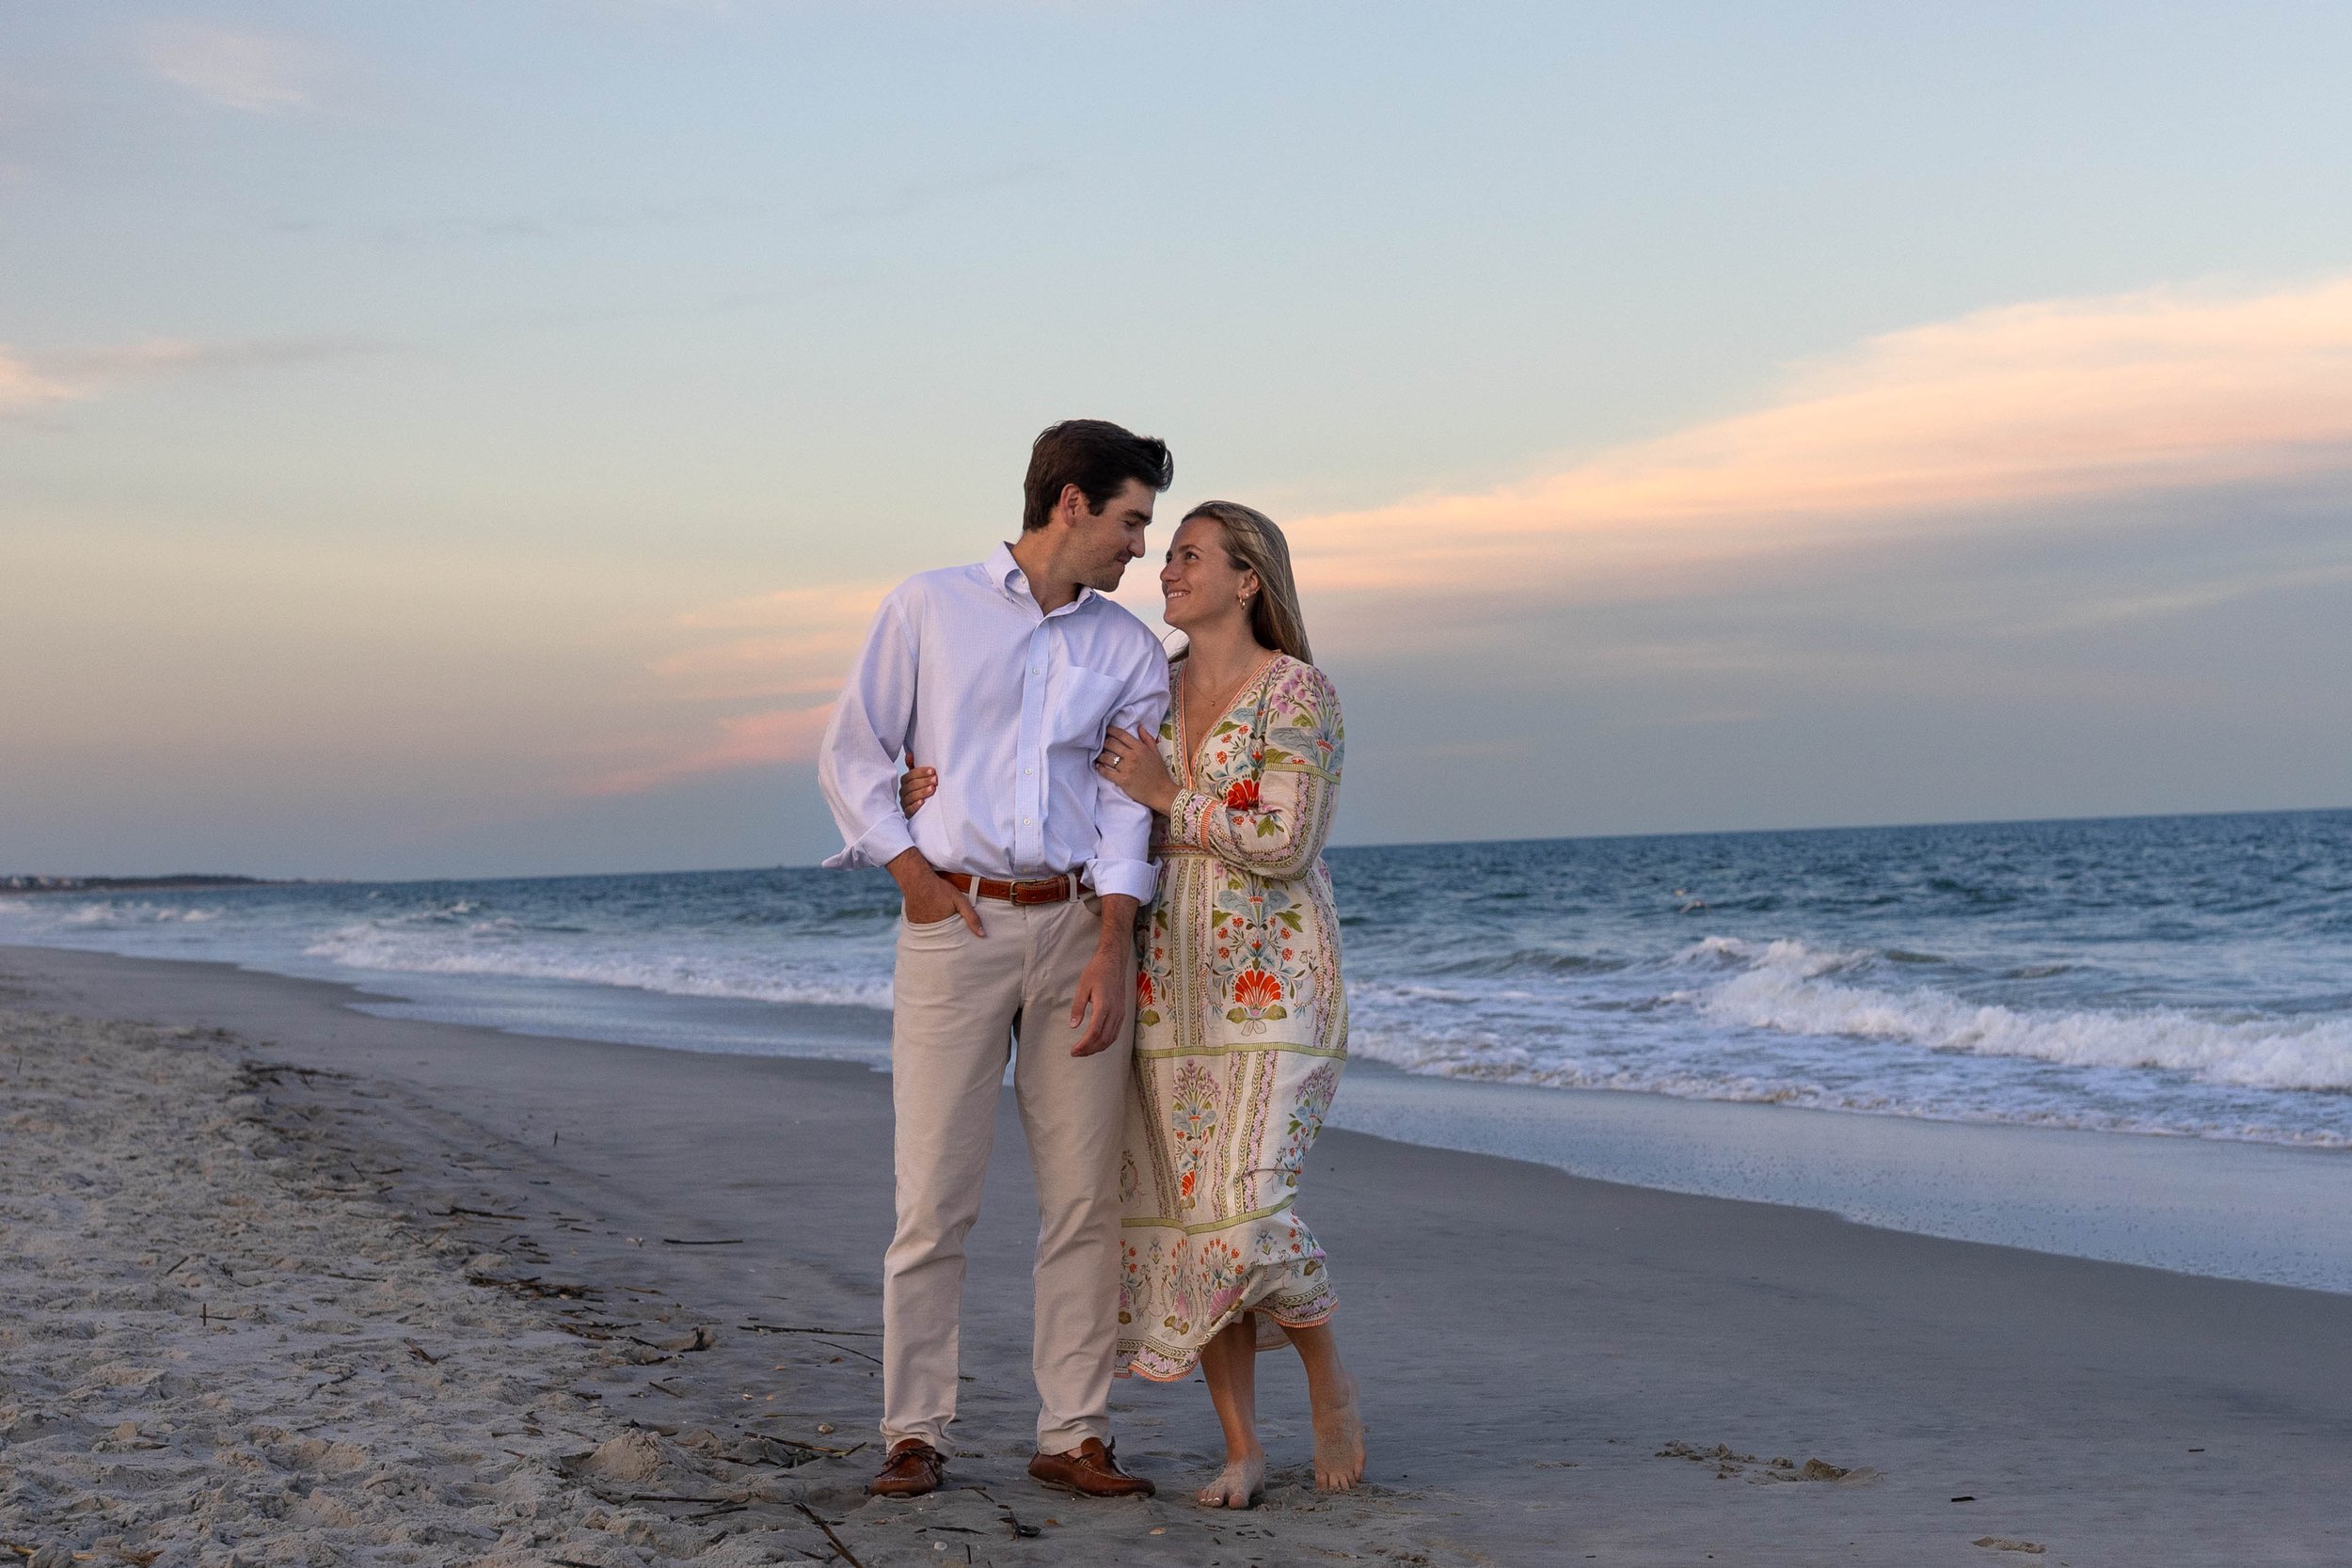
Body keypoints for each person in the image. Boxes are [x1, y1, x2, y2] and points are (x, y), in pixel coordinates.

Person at [902, 499, 1364, 1509]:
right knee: (1191, 1222)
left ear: (1250, 579)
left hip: (1273, 988)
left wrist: (1168, 797)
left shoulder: (1299, 693)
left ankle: (1326, 1378)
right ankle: (1241, 1445)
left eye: (1189, 553)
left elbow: (1285, 839)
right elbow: (1052, 777)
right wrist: (922, 794)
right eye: (1163, 548)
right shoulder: (1145, 680)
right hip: (1166, 985)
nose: (1163, 564)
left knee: (1247, 1208)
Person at [818, 419, 1173, 1502]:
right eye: (1129, 520)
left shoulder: (1126, 647)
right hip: (952, 927)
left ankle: (1073, 1432)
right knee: (933, 1194)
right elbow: (854, 750)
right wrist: (914, 878)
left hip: (1076, 929)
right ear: (1069, 502)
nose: (1139, 548)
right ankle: (913, 1430)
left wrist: (1115, 936)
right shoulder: (929, 606)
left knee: (1082, 1200)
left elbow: (1123, 811)